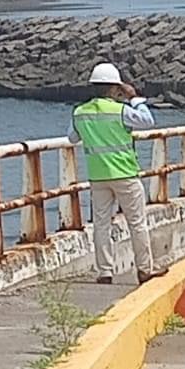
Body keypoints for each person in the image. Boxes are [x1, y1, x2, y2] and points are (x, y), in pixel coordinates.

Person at [69, 62, 163, 285]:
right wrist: (135, 98)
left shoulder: (80, 112)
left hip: (98, 176)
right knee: (137, 223)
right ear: (114, 88)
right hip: (125, 174)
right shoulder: (120, 110)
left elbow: (72, 138)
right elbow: (148, 121)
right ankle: (144, 269)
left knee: (101, 225)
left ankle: (105, 272)